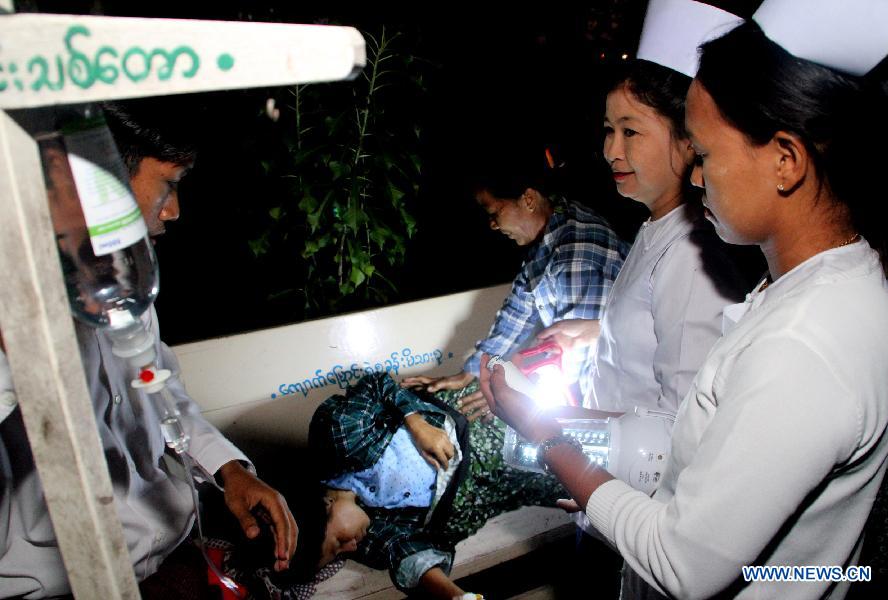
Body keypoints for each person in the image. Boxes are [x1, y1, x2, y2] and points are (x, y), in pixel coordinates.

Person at [479, 4, 888, 599]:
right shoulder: (831, 288)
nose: (696, 179)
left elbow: (686, 565)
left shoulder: (805, 341)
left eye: (703, 155)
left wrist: (548, 437)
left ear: (785, 159)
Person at [0, 98, 298, 599]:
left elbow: (160, 385)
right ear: (99, 185)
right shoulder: (15, 303)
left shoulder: (124, 283)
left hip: (167, 556)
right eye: (168, 185)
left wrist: (228, 472)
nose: (175, 210)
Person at [278, 372, 566, 599]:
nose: (351, 545)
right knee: (577, 490)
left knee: (574, 433)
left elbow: (375, 386)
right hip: (491, 489)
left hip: (477, 422)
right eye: (339, 555)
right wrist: (456, 595)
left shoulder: (339, 438)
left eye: (338, 542)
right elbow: (404, 554)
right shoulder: (366, 535)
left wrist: (415, 424)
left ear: (322, 505)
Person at [402, 147, 628, 420]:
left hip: (619, 393)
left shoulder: (577, 255)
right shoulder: (548, 238)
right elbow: (515, 315)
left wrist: (511, 393)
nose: (493, 225)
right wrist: (473, 371)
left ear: (529, 199)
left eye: (494, 211)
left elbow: (574, 356)